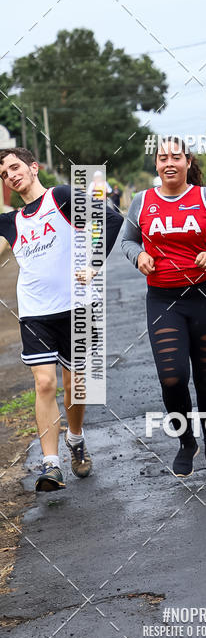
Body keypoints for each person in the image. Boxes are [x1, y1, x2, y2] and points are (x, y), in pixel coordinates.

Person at [0, 148, 123, 490]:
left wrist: (94, 264)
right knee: (44, 383)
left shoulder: (62, 197)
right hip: (36, 311)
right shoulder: (10, 222)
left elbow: (111, 220)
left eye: (15, 167)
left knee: (76, 385)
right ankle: (50, 464)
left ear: (33, 167)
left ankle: (76, 436)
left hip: (78, 306)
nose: (10, 175)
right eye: (4, 174)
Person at [121, 138, 206, 478]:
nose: (169, 163)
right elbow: (128, 241)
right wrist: (139, 255)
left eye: (176, 157)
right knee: (172, 378)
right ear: (156, 165)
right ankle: (187, 442)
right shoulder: (142, 201)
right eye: (162, 158)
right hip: (163, 301)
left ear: (188, 161)